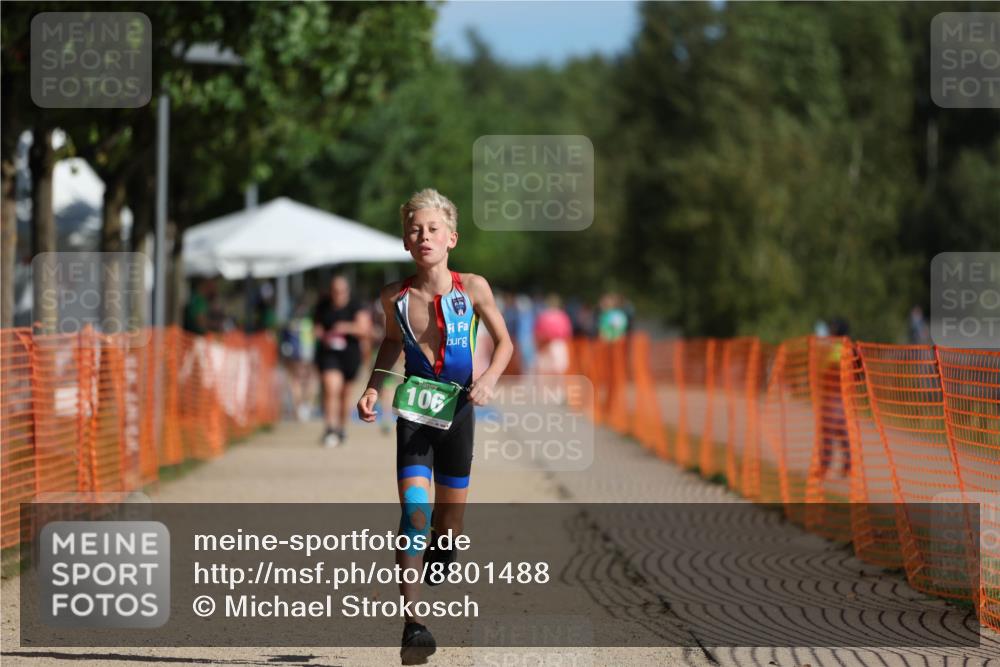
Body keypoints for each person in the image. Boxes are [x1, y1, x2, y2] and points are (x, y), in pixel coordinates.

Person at [356, 188, 513, 665]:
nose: (423, 236)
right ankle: (414, 624)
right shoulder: (394, 296)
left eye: (432, 229)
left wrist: (488, 380)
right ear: (406, 241)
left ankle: (444, 548)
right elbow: (390, 342)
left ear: (451, 238)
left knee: (449, 526)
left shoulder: (474, 287)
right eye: (415, 230)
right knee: (415, 516)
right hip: (415, 414)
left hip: (459, 412)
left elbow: (505, 343)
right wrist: (373, 387)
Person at [314, 275, 371, 448]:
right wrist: (321, 335)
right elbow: (317, 326)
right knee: (331, 388)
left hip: (350, 354)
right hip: (329, 354)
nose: (338, 294)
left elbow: (364, 329)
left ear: (347, 291)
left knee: (345, 393)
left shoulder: (356, 305)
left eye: (341, 290)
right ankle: (330, 428)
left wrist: (345, 327)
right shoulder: (323, 305)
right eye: (334, 290)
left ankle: (341, 428)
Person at [533, 295, 573, 375]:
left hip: (544, 345)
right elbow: (567, 332)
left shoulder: (543, 315)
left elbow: (537, 332)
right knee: (558, 368)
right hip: (558, 343)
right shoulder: (562, 315)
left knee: (544, 369)